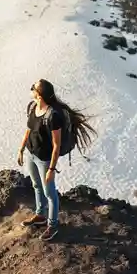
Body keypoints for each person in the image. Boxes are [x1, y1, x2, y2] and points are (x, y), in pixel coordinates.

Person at [16, 78, 95, 241]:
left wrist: (51, 169)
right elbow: (28, 130)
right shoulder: (33, 108)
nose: (31, 89)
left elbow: (56, 145)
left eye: (33, 88)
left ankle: (53, 225)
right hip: (32, 154)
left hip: (44, 159)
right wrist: (21, 149)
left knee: (49, 192)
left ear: (39, 95)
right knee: (36, 185)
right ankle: (40, 215)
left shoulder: (54, 116)